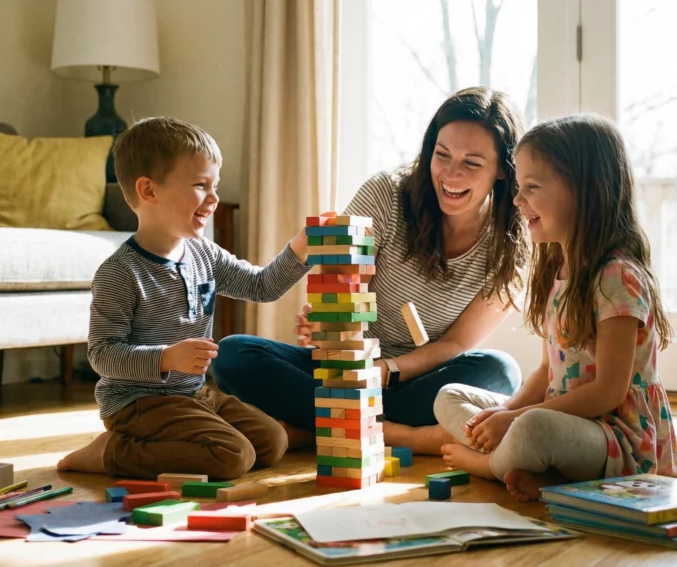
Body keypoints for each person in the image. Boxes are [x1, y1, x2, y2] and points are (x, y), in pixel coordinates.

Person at [210, 87, 529, 454]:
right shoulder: (387, 194)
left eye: (472, 163)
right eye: (442, 155)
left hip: (418, 377)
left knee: (499, 371)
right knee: (233, 355)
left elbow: (455, 345)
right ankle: (388, 430)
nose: (451, 174)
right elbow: (342, 287)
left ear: (503, 171)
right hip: (350, 373)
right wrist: (329, 326)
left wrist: (384, 371)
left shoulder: (511, 247)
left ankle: (340, 429)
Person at [433, 113, 677, 502]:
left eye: (531, 187)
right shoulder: (560, 269)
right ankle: (540, 471)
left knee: (532, 429)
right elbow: (549, 370)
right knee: (448, 395)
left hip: (618, 439)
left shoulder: (617, 277)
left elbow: (607, 393)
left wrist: (514, 420)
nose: (517, 200)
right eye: (518, 187)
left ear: (586, 191)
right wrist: (503, 414)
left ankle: (488, 465)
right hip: (565, 423)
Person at [57, 117, 311, 479]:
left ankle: (165, 442)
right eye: (200, 185)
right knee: (232, 456)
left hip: (192, 394)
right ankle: (111, 452)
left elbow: (261, 286)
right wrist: (167, 358)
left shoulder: (204, 254)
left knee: (272, 441)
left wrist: (299, 249)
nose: (214, 198)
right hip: (137, 403)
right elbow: (101, 355)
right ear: (149, 191)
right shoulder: (120, 273)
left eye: (215, 185)